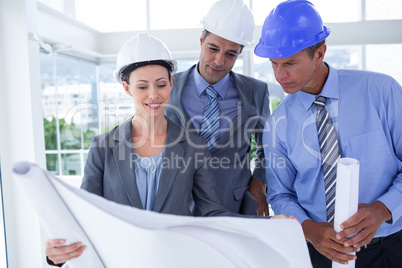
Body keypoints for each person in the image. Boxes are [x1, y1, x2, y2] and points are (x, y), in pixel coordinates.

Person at [45, 33, 289, 266]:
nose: (153, 95)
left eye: (160, 84)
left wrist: (267, 225)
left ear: (171, 83)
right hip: (120, 260)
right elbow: (85, 214)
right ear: (127, 88)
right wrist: (57, 252)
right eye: (142, 87)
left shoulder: (194, 146)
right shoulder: (103, 147)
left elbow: (212, 213)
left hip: (174, 260)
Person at [255, 1, 402, 267]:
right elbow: (281, 195)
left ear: (320, 53)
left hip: (390, 247)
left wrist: (382, 209)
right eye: (273, 63)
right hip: (319, 252)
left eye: (290, 63)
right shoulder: (278, 124)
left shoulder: (382, 92)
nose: (280, 75)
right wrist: (310, 230)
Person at [165, 0, 271, 216]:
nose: (219, 61)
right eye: (213, 48)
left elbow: (267, 149)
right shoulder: (167, 86)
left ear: (240, 52)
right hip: (176, 204)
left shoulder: (256, 91)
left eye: (231, 54)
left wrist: (259, 183)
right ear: (202, 39)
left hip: (235, 204)